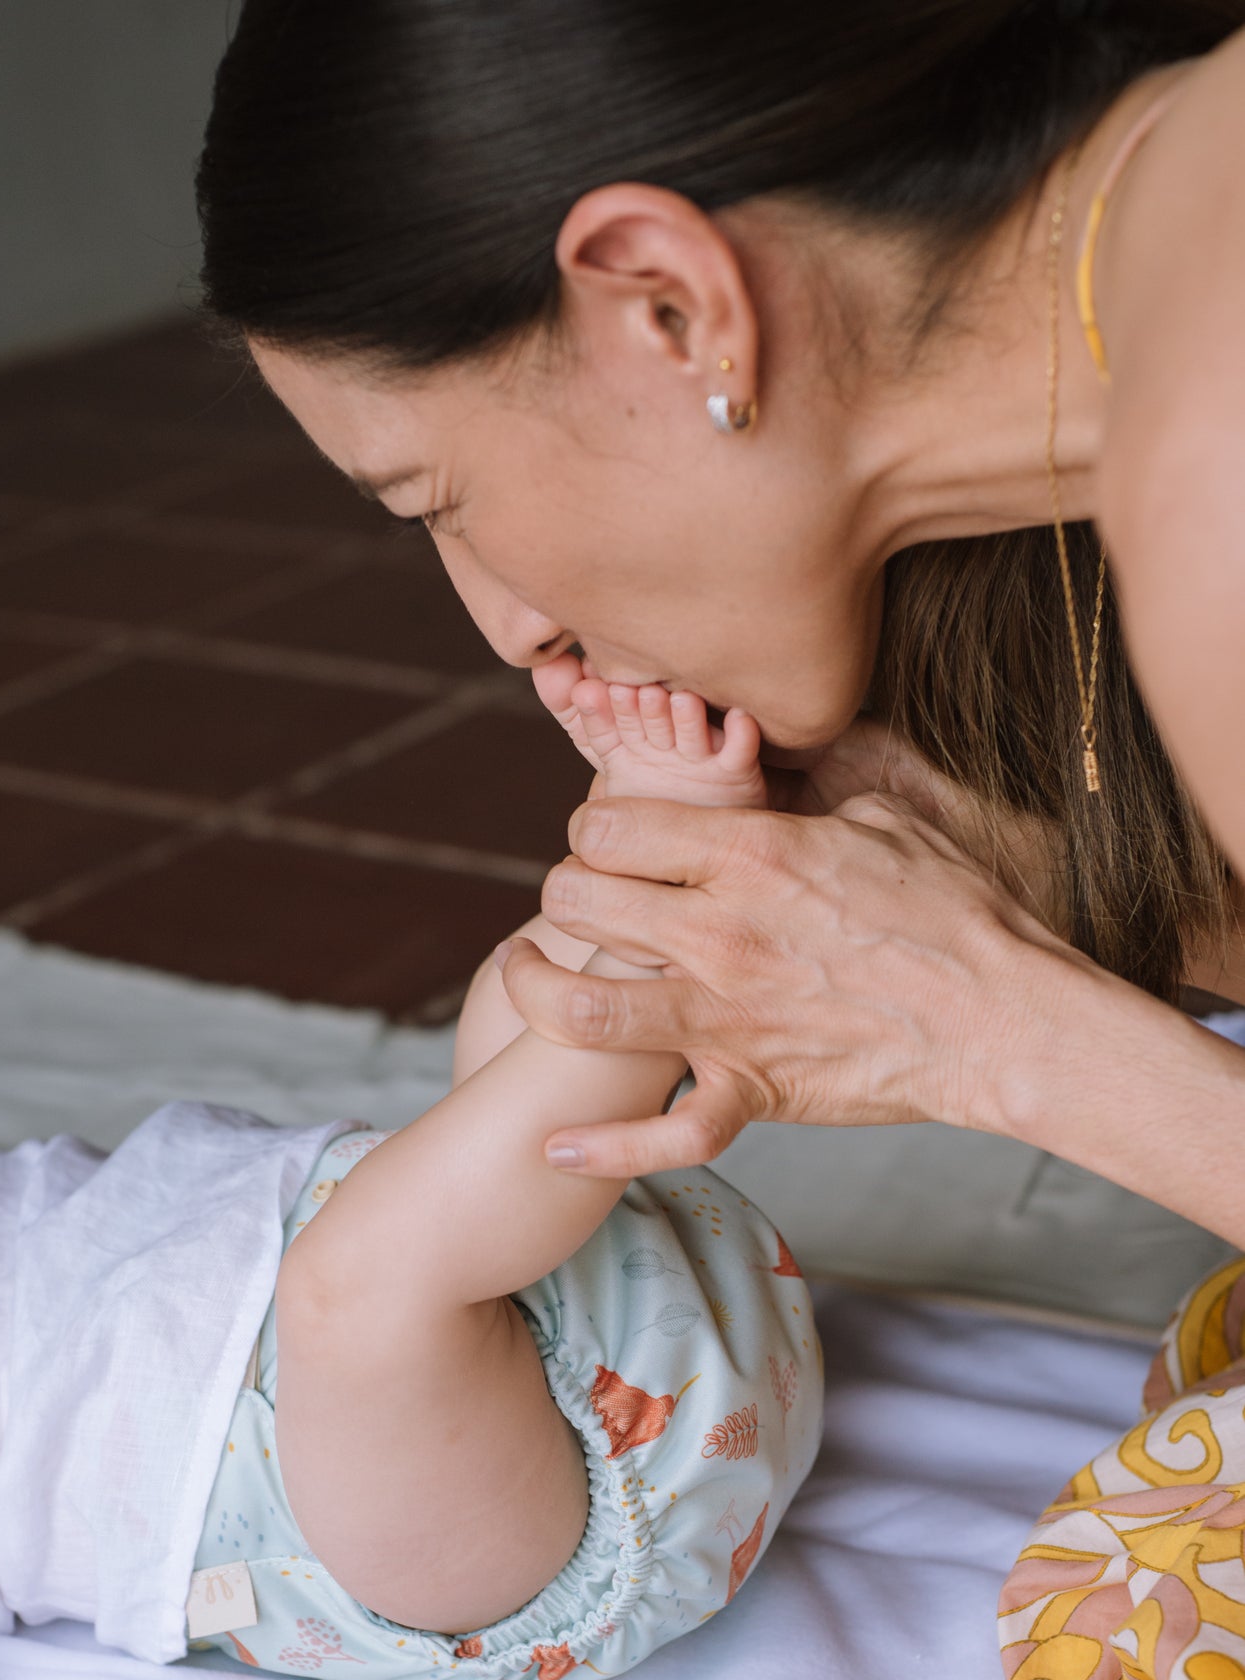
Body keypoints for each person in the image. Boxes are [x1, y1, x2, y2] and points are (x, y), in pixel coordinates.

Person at [195, 0, 1245, 1242]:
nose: (509, 629)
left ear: (670, 307)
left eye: (440, 499)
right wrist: (1036, 875)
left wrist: (989, 1027)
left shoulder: (1211, 473)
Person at [0, 698, 819, 1680]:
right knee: (357, 1278)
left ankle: (640, 850)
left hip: (578, 1283)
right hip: (450, 1512)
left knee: (498, 1027)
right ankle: (675, 918)